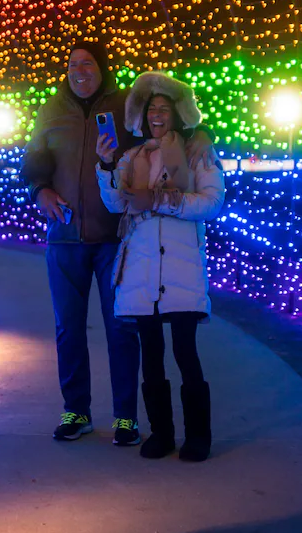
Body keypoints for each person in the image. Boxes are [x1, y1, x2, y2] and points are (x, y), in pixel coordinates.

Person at [95, 71, 225, 462]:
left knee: (186, 354)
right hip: (141, 272)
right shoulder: (131, 157)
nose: (157, 114)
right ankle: (161, 433)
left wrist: (161, 201)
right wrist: (104, 167)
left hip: (181, 270)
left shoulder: (196, 154)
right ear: (141, 114)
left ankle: (198, 436)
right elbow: (116, 203)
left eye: (164, 108)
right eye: (151, 108)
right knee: (151, 356)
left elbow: (212, 203)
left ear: (177, 114)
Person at [20, 41, 145, 444]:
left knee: (121, 326)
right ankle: (76, 410)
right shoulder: (51, 110)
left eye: (88, 64)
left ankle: (126, 416)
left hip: (115, 239)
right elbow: (35, 160)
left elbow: (151, 148)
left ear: (103, 69)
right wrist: (40, 191)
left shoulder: (126, 106)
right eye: (73, 65)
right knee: (68, 328)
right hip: (65, 237)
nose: (80, 71)